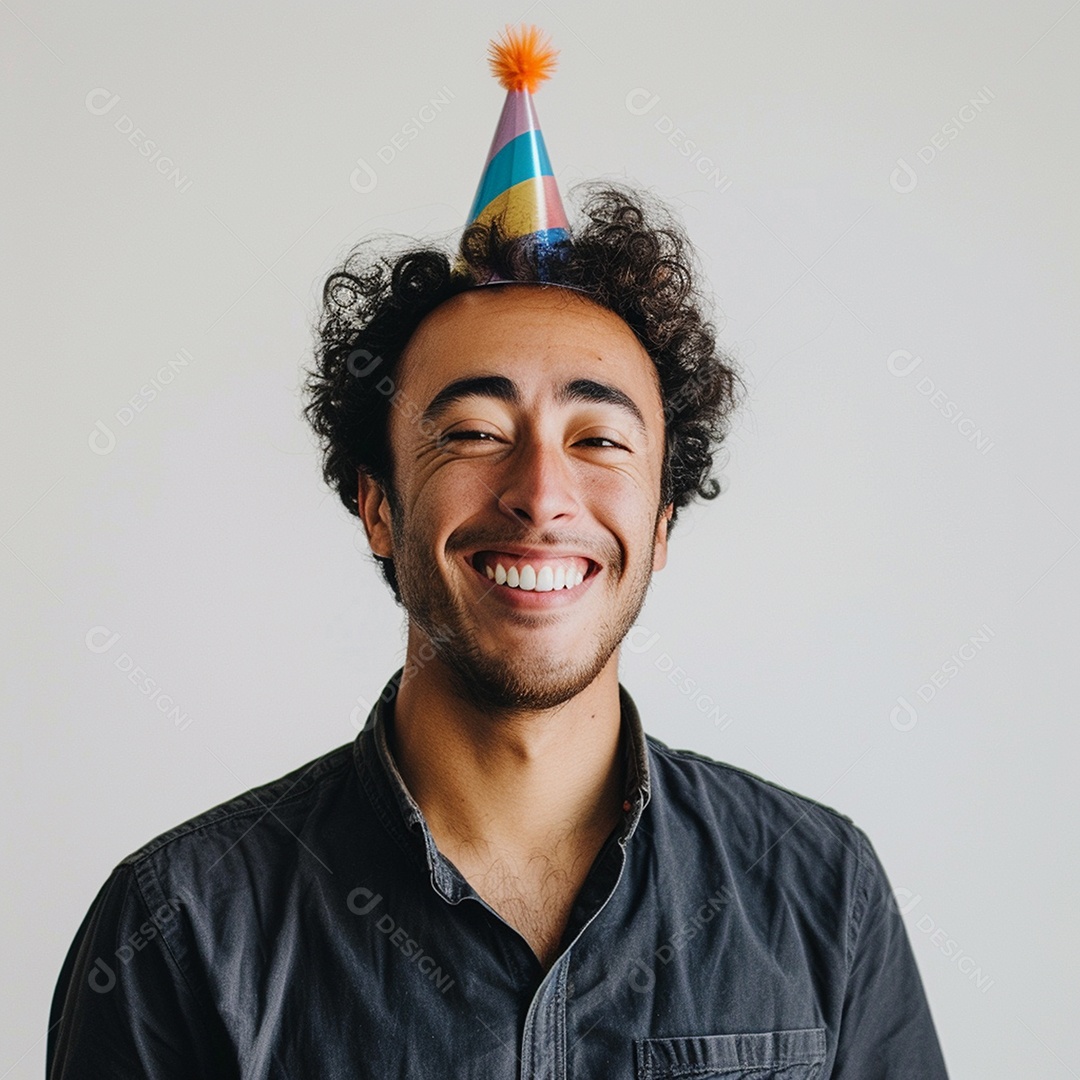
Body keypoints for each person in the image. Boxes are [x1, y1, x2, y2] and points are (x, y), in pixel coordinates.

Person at [47, 26, 949, 1079]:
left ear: (659, 527)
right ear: (376, 505)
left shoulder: (820, 893)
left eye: (600, 440)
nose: (540, 495)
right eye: (473, 432)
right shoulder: (183, 928)